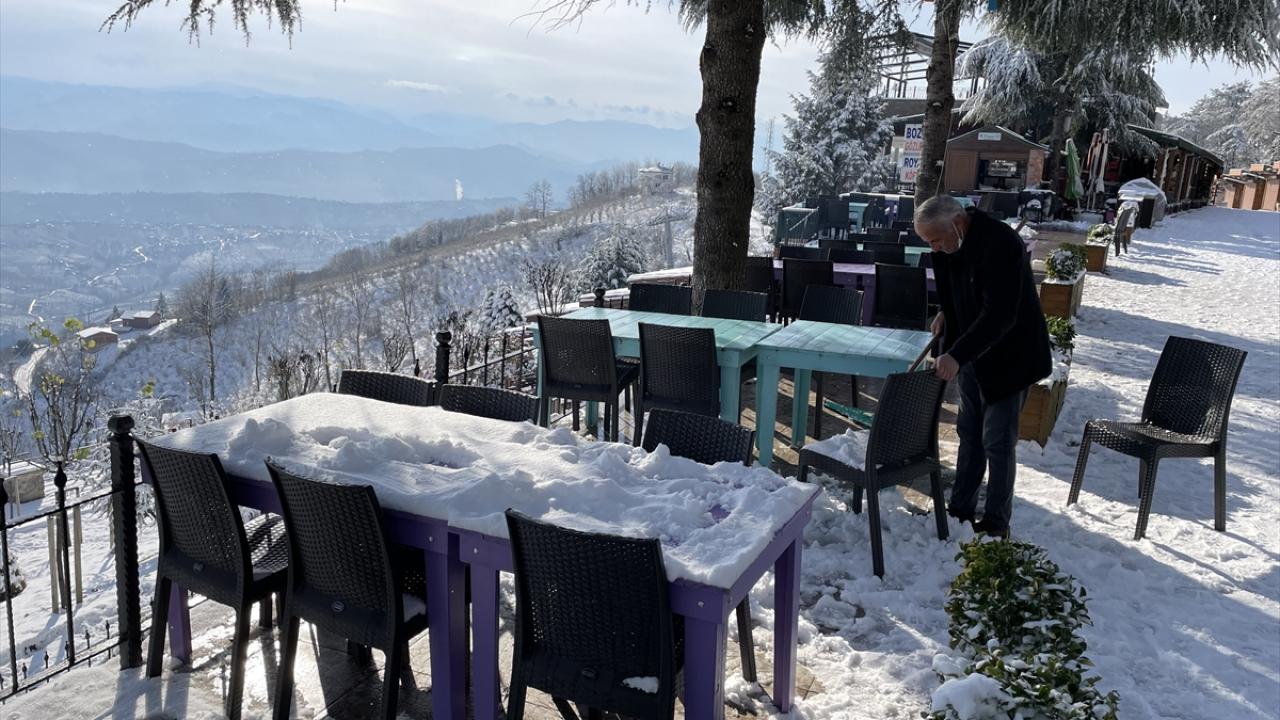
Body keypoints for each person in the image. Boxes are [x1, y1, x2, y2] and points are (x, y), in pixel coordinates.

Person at [913, 195, 1052, 537]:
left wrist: (957, 355)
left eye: (935, 240)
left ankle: (995, 523)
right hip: (972, 353)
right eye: (928, 242)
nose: (933, 248)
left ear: (957, 224)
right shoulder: (950, 242)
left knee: (997, 441)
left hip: (1011, 357)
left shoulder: (1000, 243)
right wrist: (948, 313)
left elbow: (999, 314)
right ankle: (960, 509)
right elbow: (959, 289)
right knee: (970, 435)